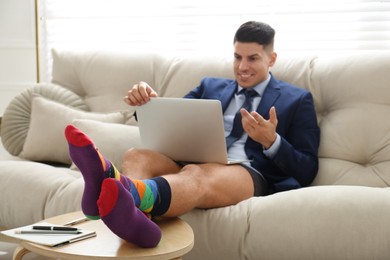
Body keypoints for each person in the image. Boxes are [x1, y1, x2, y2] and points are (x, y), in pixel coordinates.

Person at [65, 21, 320, 248]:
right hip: (188, 164)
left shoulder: (297, 100)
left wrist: (271, 141)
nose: (242, 66)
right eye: (237, 57)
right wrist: (148, 103)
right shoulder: (210, 86)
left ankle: (112, 180)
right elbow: (171, 120)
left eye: (252, 58)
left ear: (271, 58)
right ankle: (139, 226)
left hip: (249, 173)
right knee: (138, 155)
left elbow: (307, 168)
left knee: (197, 174)